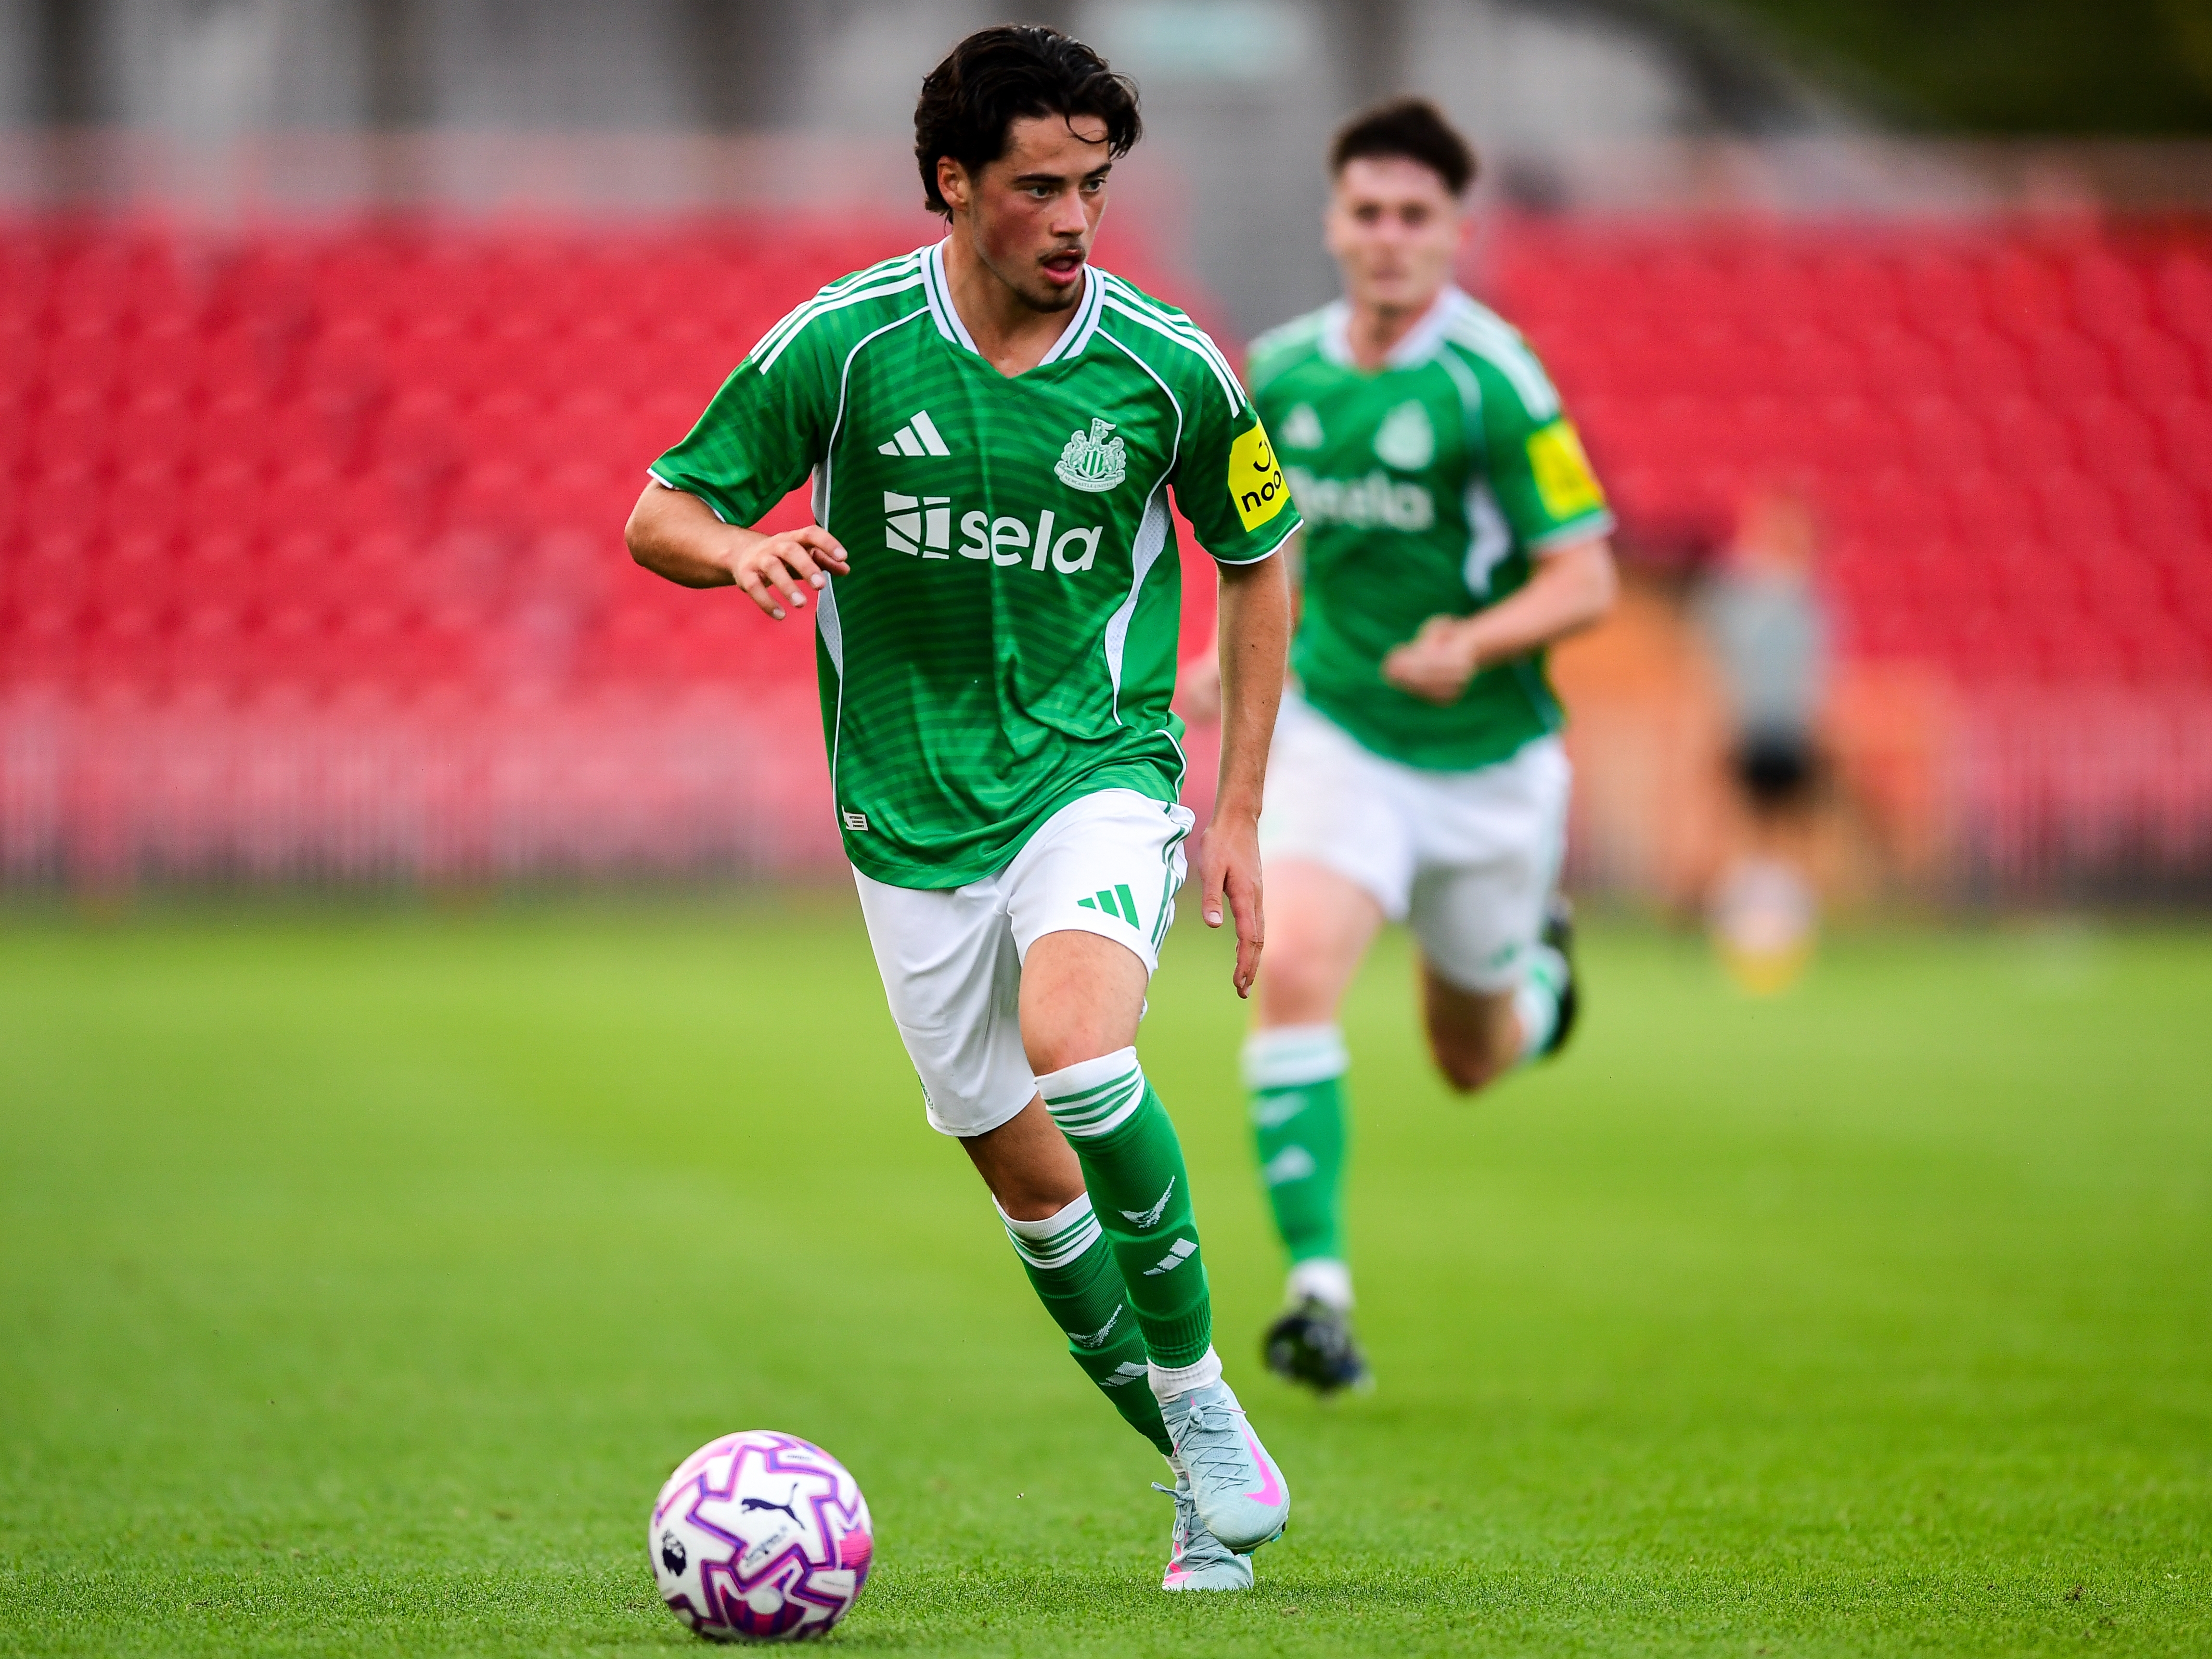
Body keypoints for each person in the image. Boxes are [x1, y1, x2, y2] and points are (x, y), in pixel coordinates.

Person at [623, 26, 1298, 1594]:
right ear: (951, 182)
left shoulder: (1167, 366)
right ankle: (1195, 1476)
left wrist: (1238, 810)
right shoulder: (847, 346)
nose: (1074, 220)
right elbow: (660, 508)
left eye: (1094, 187)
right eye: (1038, 187)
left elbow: (1261, 557)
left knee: (1082, 1048)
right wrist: (739, 550)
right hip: (907, 817)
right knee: (1034, 1191)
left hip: (1095, 769)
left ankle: (1201, 1399)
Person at [1183, 99, 1619, 1394]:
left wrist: (1473, 640)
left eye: (1413, 216)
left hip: (1489, 762)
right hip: (1340, 732)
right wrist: (1223, 665)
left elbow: (1586, 577)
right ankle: (1317, 1294)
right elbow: (1274, 549)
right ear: (1332, 224)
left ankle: (1542, 986)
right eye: (1366, 212)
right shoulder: (1279, 374)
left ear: (1455, 234)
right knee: (1292, 963)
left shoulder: (1495, 381)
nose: (1387, 236)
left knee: (1468, 1056)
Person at [1696, 483, 1829, 993]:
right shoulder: (1737, 595)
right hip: (1747, 729)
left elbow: (1815, 673)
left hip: (1790, 731)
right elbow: (1718, 662)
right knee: (1742, 836)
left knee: (1789, 838)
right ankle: (1737, 927)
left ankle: (1789, 929)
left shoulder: (1807, 598)